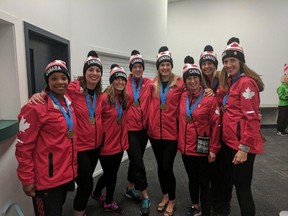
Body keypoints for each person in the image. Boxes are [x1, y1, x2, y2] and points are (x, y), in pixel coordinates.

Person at [29, 51, 104, 216]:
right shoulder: (72, 88)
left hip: (95, 146)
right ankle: (79, 212)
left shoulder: (99, 94)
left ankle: (79, 209)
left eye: (98, 70)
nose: (94, 73)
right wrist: (40, 94)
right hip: (79, 147)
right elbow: (54, 91)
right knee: (86, 185)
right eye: (90, 69)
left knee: (85, 183)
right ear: (84, 72)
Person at [15, 58, 78, 216]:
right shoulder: (35, 108)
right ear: (47, 82)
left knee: (58, 210)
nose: (60, 82)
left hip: (64, 174)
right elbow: (23, 146)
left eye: (63, 78)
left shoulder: (68, 104)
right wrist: (27, 179)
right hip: (45, 180)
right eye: (54, 78)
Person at [218, 37, 265, 216]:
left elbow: (252, 120)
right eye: (226, 61)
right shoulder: (232, 82)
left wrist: (244, 148)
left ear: (241, 61)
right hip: (232, 143)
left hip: (242, 146)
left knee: (243, 189)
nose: (229, 65)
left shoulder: (246, 83)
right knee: (237, 186)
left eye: (232, 61)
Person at [178, 56, 221, 216]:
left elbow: (216, 125)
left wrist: (213, 149)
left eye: (195, 78)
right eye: (188, 78)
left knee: (204, 182)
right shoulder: (182, 97)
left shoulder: (210, 98)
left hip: (203, 148)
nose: (192, 81)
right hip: (186, 148)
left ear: (199, 79)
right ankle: (195, 206)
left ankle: (206, 211)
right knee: (192, 179)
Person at [147, 46, 184, 216]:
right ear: (158, 66)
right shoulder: (152, 84)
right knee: (160, 168)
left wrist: (207, 90)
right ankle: (164, 196)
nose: (165, 67)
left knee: (167, 167)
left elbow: (194, 89)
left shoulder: (179, 82)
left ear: (171, 65)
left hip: (171, 134)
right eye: (162, 65)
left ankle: (173, 199)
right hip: (155, 134)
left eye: (168, 64)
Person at [91, 64, 130, 215]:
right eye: (117, 79)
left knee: (109, 173)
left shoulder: (125, 98)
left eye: (123, 79)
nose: (120, 82)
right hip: (106, 145)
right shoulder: (103, 98)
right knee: (111, 175)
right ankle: (108, 202)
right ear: (112, 81)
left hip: (119, 145)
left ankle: (96, 193)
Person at [199, 45, 232, 216]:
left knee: (224, 171)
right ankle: (212, 200)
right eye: (203, 64)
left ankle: (224, 203)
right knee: (210, 170)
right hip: (208, 133)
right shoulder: (199, 82)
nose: (206, 67)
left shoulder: (224, 78)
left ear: (215, 64)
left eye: (210, 63)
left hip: (225, 131)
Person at [124, 50, 151, 216]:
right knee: (138, 162)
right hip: (130, 130)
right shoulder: (122, 83)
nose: (138, 69)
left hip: (144, 130)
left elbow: (170, 83)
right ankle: (145, 195)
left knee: (135, 160)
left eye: (140, 66)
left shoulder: (148, 83)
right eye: (135, 66)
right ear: (131, 68)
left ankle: (129, 188)